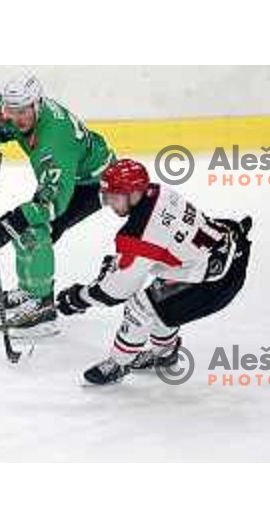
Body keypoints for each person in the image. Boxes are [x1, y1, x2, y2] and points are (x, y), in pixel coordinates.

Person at [56, 158, 252, 385]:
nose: (110, 203)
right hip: (225, 253)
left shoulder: (138, 234)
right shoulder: (158, 191)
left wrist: (78, 298)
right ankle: (165, 354)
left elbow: (117, 292)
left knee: (140, 306)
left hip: (213, 283)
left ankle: (119, 364)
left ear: (134, 193)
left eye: (115, 196)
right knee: (159, 304)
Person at [0, 74, 114, 332]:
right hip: (66, 173)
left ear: (37, 105)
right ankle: (29, 290)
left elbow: (51, 205)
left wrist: (7, 225)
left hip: (92, 182)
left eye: (22, 112)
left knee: (35, 228)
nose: (15, 118)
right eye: (10, 111)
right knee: (23, 226)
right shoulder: (7, 110)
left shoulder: (54, 142)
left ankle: (42, 305)